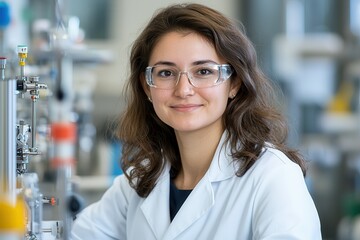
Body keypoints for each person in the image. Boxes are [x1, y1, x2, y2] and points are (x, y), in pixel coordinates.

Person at [71, 3, 322, 240]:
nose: (183, 90)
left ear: (234, 83)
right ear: (146, 86)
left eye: (203, 72)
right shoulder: (143, 178)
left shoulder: (273, 177)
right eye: (166, 73)